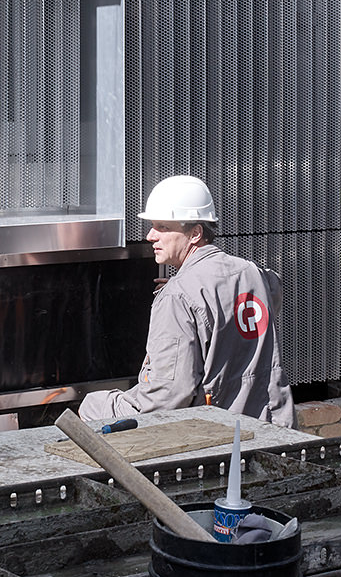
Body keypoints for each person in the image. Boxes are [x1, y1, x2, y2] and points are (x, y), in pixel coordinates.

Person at [80, 174, 294, 429]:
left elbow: (168, 395)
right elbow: (270, 290)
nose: (150, 236)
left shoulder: (177, 298)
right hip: (274, 425)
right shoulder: (253, 273)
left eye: (162, 227)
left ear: (195, 233)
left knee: (92, 406)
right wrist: (191, 287)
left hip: (219, 438)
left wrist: (105, 404)